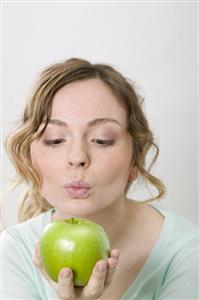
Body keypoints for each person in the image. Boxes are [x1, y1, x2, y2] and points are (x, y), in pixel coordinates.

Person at [1, 58, 198, 300]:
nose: (77, 158)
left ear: (134, 160)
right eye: (55, 140)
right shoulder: (12, 251)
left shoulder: (187, 253)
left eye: (101, 140)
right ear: (30, 157)